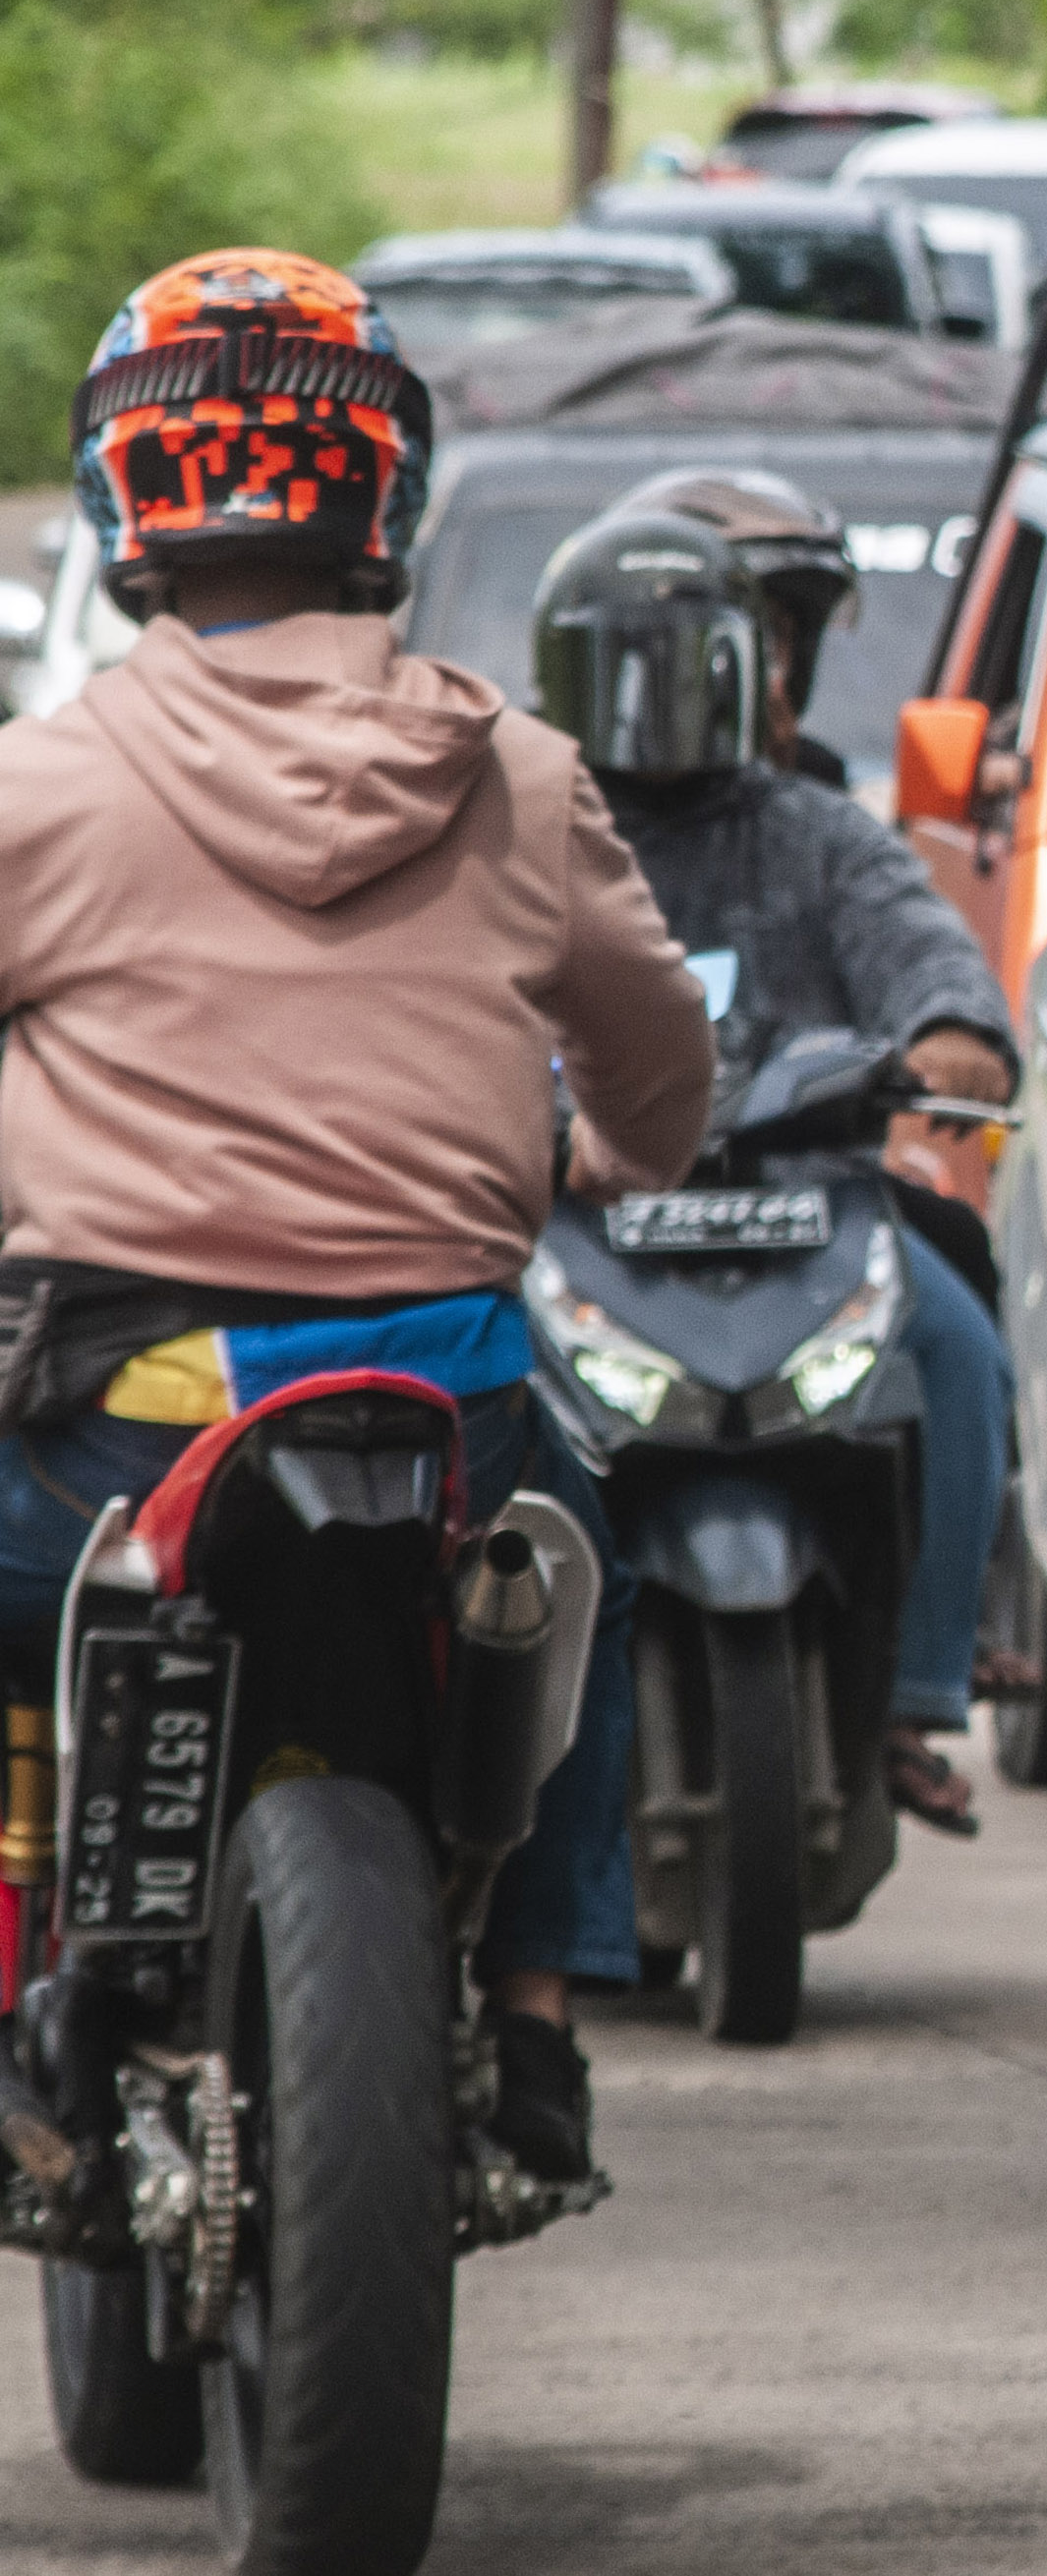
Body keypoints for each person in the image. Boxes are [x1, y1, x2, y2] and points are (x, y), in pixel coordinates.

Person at [0, 251, 713, 2180]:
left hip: (116, 1424)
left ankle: (19, 1988)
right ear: (378, 487)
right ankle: (545, 2020)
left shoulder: (40, 786)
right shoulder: (524, 776)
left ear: (122, 493)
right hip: (449, 1408)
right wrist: (610, 1160)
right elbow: (656, 1075)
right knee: (583, 1568)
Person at [530, 502, 1023, 1837]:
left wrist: (956, 1037)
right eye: (628, 662)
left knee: (965, 1350)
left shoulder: (819, 833)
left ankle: (923, 1689)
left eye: (698, 658)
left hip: (814, 1199)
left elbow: (929, 956)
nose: (663, 698)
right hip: (577, 1212)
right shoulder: (522, 828)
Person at [610, 464, 867, 790]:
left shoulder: (816, 781)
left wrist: (770, 792)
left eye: (778, 636)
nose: (772, 667)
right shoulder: (556, 780)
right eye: (733, 637)